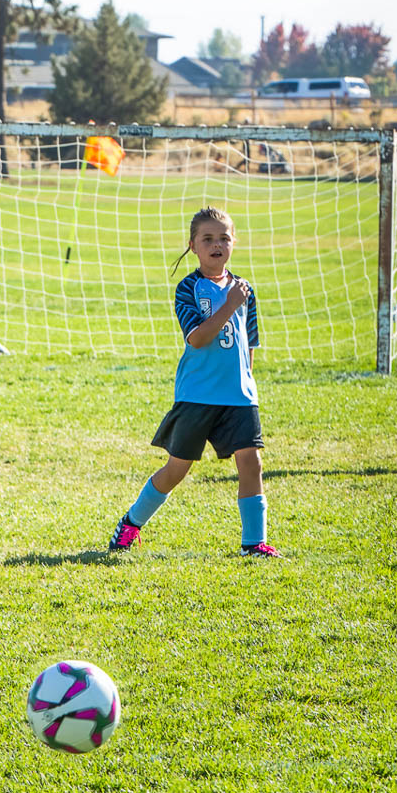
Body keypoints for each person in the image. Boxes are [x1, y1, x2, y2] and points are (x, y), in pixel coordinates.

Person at [108, 207, 277, 558]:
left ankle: (254, 543)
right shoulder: (188, 288)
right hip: (198, 395)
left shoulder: (244, 290)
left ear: (234, 244)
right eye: (208, 239)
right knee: (176, 469)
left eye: (224, 238)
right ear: (193, 246)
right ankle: (130, 524)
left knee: (251, 462)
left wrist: (248, 383)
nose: (217, 244)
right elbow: (197, 339)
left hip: (240, 396)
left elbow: (250, 344)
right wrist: (230, 305)